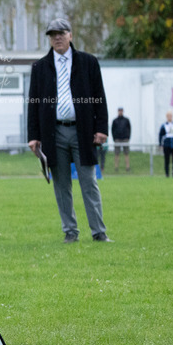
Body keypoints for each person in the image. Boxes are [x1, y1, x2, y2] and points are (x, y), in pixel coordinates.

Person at [27, 17, 110, 243]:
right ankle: (70, 232)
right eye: (53, 34)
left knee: (88, 183)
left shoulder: (88, 62)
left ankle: (99, 232)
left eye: (61, 33)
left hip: (83, 131)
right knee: (61, 185)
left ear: (70, 35)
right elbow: (33, 103)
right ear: (50, 39)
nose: (57, 38)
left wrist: (102, 128)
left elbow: (99, 97)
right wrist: (33, 136)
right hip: (53, 134)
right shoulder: (40, 68)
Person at [159, 111, 173, 177]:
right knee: (167, 160)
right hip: (167, 144)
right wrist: (161, 144)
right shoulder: (164, 125)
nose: (169, 117)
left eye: (170, 116)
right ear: (166, 117)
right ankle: (167, 174)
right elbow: (160, 135)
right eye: (168, 116)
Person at [111, 107, 131, 172]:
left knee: (126, 153)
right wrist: (114, 138)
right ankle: (116, 167)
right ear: (118, 111)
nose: (120, 112)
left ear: (123, 111)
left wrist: (128, 137)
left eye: (121, 111)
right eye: (119, 111)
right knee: (117, 154)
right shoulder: (115, 121)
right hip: (117, 139)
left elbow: (129, 129)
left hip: (125, 139)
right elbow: (112, 130)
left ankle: (127, 167)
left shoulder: (126, 120)